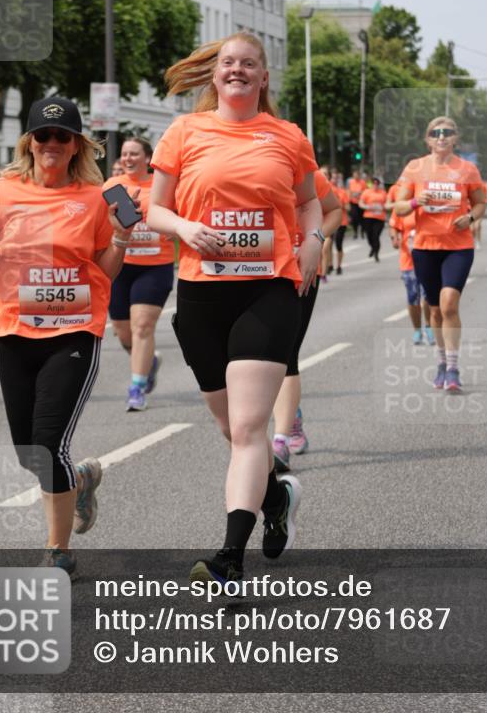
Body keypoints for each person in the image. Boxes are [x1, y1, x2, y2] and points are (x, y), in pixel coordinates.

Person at [146, 33, 322, 589]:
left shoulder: (287, 136)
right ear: (215, 74)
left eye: (248, 64)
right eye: (228, 63)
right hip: (203, 294)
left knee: (249, 428)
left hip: (267, 290)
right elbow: (154, 209)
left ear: (263, 77)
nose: (237, 70)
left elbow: (309, 201)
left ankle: (229, 558)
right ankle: (277, 498)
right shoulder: (184, 132)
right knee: (231, 429)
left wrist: (314, 240)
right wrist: (185, 227)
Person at [0, 97, 138, 579]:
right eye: (43, 135)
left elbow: (106, 271)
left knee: (48, 442)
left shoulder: (97, 196)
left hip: (74, 331)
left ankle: (58, 551)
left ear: (76, 145)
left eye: (62, 136)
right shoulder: (1, 191)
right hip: (15, 331)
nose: (52, 143)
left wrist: (121, 237)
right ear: (29, 142)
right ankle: (80, 480)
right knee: (29, 453)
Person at [394, 117, 485, 393]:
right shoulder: (415, 168)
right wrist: (414, 201)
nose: (442, 137)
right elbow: (398, 207)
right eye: (436, 133)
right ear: (428, 139)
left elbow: (480, 203)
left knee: (449, 305)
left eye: (447, 132)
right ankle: (442, 363)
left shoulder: (467, 169)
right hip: (425, 247)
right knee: (434, 310)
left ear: (455, 138)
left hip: (458, 246)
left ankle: (454, 368)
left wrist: (470, 218)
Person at [271, 169, 342, 471]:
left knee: (285, 353)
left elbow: (334, 210)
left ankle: (281, 439)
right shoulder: (240, 166)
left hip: (301, 271)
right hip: (255, 272)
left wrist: (316, 238)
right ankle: (292, 413)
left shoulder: (306, 174)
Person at [103, 137, 174, 411]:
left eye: (134, 154)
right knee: (123, 332)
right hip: (121, 265)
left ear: (147, 158)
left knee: (142, 326)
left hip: (155, 266)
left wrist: (173, 227)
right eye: (124, 154)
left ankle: (137, 388)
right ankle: (148, 362)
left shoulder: (162, 185)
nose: (128, 159)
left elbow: (181, 213)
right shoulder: (112, 186)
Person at [389, 202, 434, 345]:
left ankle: (429, 326)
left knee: (428, 295)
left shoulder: (428, 203)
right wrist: (394, 238)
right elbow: (393, 226)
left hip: (429, 258)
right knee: (413, 296)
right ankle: (417, 330)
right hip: (408, 261)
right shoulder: (403, 205)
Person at [359, 176, 387, 261]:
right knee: (369, 235)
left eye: (377, 183)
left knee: (376, 235)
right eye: (373, 183)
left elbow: (387, 204)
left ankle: (376, 253)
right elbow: (361, 203)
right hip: (368, 217)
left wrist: (382, 207)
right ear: (371, 184)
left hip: (379, 217)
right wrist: (367, 207)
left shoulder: (383, 193)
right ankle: (373, 247)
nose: (375, 185)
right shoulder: (366, 192)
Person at [330, 171, 349, 275]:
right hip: (330, 221)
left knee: (338, 244)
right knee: (328, 244)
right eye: (333, 178)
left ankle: (339, 266)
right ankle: (329, 264)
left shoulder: (342, 192)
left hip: (342, 222)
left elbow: (348, 207)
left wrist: (340, 205)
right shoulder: (327, 189)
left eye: (336, 178)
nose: (335, 180)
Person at [348, 169, 367, 239]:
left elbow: (365, 192)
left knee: (362, 217)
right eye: (354, 175)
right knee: (354, 217)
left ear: (359, 175)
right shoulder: (351, 182)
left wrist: (360, 193)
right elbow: (349, 191)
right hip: (353, 202)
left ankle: (362, 231)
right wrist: (351, 196)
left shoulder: (362, 182)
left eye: (357, 175)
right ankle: (355, 231)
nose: (356, 176)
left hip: (361, 202)